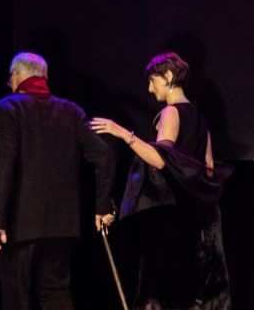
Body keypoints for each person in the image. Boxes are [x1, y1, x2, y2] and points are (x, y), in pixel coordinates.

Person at [90, 52, 232, 310]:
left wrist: (122, 133)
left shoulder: (170, 113)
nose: (148, 88)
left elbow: (160, 159)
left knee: (163, 291)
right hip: (198, 218)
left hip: (172, 216)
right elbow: (208, 167)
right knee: (193, 291)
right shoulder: (200, 118)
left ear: (167, 77)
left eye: (152, 81)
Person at [0, 52, 116, 310]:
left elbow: (6, 162)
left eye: (10, 77)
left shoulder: (8, 107)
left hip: (19, 223)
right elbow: (104, 155)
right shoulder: (71, 111)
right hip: (62, 225)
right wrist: (102, 206)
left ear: (18, 75)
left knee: (17, 297)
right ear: (43, 76)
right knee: (56, 294)